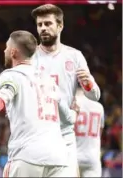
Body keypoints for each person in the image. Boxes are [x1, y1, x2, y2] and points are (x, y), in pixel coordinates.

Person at [0, 30, 74, 177]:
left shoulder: (13, 74)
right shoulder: (50, 81)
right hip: (58, 158)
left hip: (28, 156)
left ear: (14, 52)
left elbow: (2, 98)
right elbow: (68, 118)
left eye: (6, 47)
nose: (4, 50)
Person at [30, 4, 101, 176]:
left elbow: (95, 96)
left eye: (48, 24)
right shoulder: (30, 57)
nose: (43, 28)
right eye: (40, 25)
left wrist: (89, 83)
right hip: (35, 134)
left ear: (60, 26)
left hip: (64, 134)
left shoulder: (74, 56)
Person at [75, 87, 105, 177]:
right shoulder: (99, 107)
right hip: (92, 156)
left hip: (73, 156)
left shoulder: (71, 104)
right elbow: (100, 132)